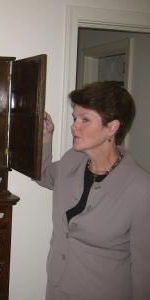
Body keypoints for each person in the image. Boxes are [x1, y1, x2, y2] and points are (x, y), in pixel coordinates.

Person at [38, 81, 150, 300]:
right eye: (74, 118)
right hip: (58, 287)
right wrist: (45, 140)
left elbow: (144, 270)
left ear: (112, 127)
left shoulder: (141, 188)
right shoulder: (73, 160)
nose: (74, 126)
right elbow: (45, 176)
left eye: (85, 120)